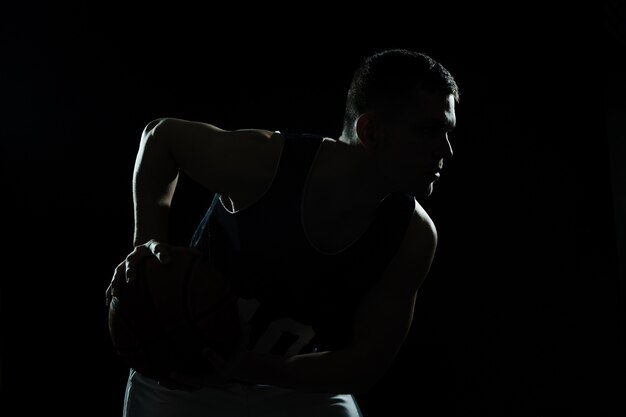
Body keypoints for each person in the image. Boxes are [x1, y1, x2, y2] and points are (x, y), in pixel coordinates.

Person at [106, 48, 460, 417]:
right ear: (369, 131)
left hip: (292, 382)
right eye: (429, 131)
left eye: (448, 132)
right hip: (183, 375)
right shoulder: (269, 164)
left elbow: (363, 364)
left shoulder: (413, 236)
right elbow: (161, 136)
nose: (446, 150)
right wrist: (146, 246)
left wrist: (247, 365)